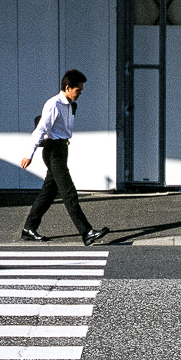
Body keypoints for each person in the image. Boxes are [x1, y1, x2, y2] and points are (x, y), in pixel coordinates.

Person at [20, 69, 109, 246]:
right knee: (69, 193)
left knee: (48, 193)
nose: (80, 93)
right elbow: (40, 130)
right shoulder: (54, 104)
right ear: (67, 87)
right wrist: (28, 154)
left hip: (62, 149)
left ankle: (28, 228)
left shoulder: (70, 104)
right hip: (53, 152)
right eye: (78, 90)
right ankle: (86, 232)